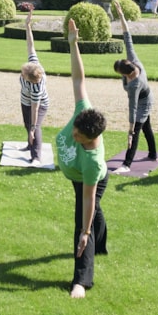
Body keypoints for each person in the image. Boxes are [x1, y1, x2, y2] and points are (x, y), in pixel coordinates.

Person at [53, 18, 109, 298]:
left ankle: (81, 281)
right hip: (78, 176)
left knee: (84, 220)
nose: (72, 135)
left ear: (91, 139)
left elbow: (87, 197)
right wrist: (73, 44)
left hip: (88, 183)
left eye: (78, 137)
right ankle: (103, 241)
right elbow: (79, 79)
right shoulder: (84, 111)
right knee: (96, 213)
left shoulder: (92, 163)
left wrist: (85, 233)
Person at [111, 0, 157, 173]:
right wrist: (121, 15)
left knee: (137, 130)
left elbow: (133, 108)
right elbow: (127, 37)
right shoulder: (133, 61)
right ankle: (152, 154)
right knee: (147, 127)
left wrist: (130, 130)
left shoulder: (134, 86)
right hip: (146, 95)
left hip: (144, 102)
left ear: (125, 73)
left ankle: (126, 165)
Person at [18, 8, 50, 163]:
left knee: (35, 126)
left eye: (23, 74)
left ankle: (36, 156)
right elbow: (31, 45)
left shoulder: (36, 88)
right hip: (25, 100)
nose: (21, 73)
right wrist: (28, 26)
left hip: (40, 104)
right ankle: (29, 144)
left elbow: (35, 108)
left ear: (29, 79)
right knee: (27, 123)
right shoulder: (34, 64)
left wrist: (32, 129)